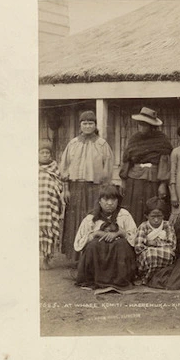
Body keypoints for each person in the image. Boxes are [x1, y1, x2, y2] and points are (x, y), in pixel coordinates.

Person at [60, 110, 114, 264]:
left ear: (95, 125)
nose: (88, 126)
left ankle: (90, 256)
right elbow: (64, 167)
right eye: (85, 123)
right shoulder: (73, 143)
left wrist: (103, 190)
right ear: (80, 125)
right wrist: (66, 189)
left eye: (91, 123)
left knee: (92, 219)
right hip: (75, 188)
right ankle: (75, 257)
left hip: (95, 189)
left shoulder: (102, 144)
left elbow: (108, 168)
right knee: (75, 220)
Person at [73, 185, 137, 291]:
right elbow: (78, 243)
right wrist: (96, 233)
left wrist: (120, 233)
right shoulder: (91, 218)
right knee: (93, 245)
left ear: (118, 201)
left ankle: (119, 280)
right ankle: (93, 280)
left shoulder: (124, 215)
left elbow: (135, 238)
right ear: (99, 201)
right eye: (106, 199)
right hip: (99, 254)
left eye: (113, 199)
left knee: (121, 244)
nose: (110, 203)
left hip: (118, 254)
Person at [119, 107, 173, 225]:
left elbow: (164, 163)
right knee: (133, 209)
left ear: (152, 126)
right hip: (134, 181)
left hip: (152, 181)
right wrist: (123, 181)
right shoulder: (134, 139)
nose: (142, 127)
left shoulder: (162, 140)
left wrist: (163, 184)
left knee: (152, 206)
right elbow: (127, 160)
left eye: (145, 125)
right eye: (140, 124)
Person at [135, 196, 176, 284]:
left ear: (163, 215)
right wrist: (148, 244)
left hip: (165, 255)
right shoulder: (144, 226)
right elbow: (138, 246)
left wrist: (154, 243)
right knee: (150, 255)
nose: (156, 220)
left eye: (159, 216)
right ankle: (146, 278)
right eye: (153, 216)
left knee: (168, 254)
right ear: (147, 216)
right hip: (147, 257)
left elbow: (172, 245)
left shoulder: (167, 225)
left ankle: (163, 278)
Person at [39, 140, 63, 269]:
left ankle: (46, 258)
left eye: (47, 153)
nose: (45, 155)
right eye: (42, 152)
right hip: (39, 205)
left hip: (51, 203)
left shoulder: (54, 167)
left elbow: (59, 184)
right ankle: (40, 257)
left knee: (50, 230)